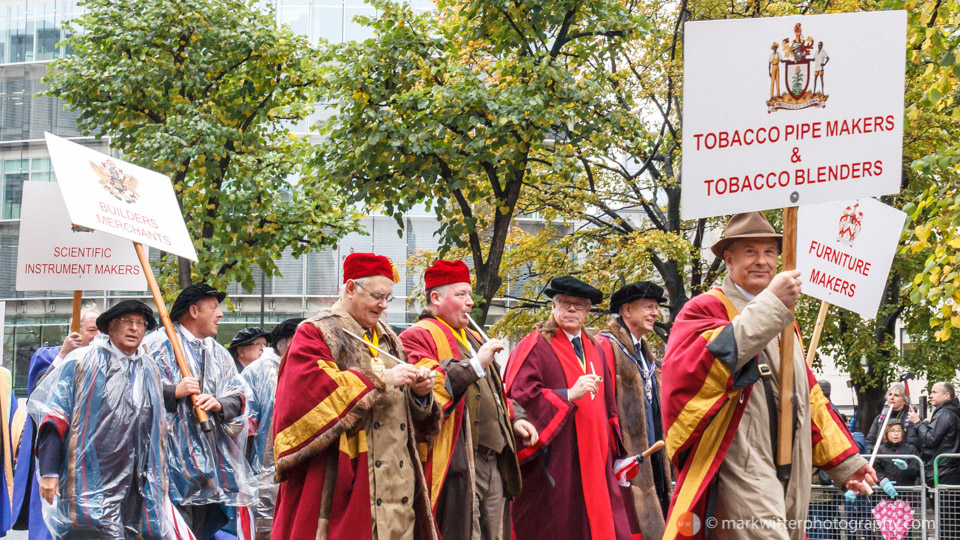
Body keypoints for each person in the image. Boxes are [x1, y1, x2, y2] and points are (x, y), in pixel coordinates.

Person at [660, 212, 874, 540]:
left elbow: (811, 401)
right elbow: (704, 368)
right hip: (739, 465)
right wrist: (774, 303)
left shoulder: (785, 320)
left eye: (770, 252)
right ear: (728, 260)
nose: (762, 261)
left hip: (793, 469)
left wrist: (846, 465)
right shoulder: (704, 309)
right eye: (750, 252)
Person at [271, 253, 441, 540]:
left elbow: (407, 414)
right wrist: (384, 379)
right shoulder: (316, 332)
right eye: (377, 295)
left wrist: (420, 395)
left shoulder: (389, 338)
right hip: (346, 483)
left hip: (398, 486)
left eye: (388, 297)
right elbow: (304, 401)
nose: (383, 305)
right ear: (350, 288)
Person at [399, 259, 537, 540]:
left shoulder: (473, 336)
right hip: (459, 460)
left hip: (493, 459)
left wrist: (516, 417)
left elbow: (495, 392)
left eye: (469, 295)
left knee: (495, 535)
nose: (470, 302)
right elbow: (432, 384)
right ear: (435, 298)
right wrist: (476, 364)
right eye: (460, 295)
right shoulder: (417, 335)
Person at [504, 276, 633, 540]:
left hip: (596, 458)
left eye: (579, 305)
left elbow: (609, 406)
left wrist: (618, 452)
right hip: (558, 459)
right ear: (553, 306)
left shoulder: (594, 348)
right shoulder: (535, 345)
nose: (571, 309)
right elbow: (518, 397)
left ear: (588, 311)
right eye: (564, 303)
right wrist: (567, 395)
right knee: (560, 525)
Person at [29, 301, 171, 539]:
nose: (134, 328)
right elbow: (56, 419)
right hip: (91, 480)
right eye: (127, 322)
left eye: (140, 323)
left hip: (138, 484)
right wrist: (50, 472)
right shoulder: (82, 361)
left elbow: (157, 427)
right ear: (111, 327)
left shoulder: (149, 368)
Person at [145, 284, 255, 540]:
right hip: (168, 468)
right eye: (214, 308)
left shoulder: (217, 352)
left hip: (207, 470)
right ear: (194, 311)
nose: (220, 315)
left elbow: (240, 395)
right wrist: (173, 391)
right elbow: (134, 395)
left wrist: (219, 403)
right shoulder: (156, 346)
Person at [13, 307, 100, 540]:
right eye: (91, 329)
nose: (97, 336)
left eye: (101, 330)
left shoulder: (106, 361)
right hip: (56, 452)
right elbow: (38, 399)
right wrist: (63, 355)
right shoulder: (48, 356)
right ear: (76, 329)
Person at [596, 281, 673, 539]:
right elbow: (602, 406)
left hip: (650, 452)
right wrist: (616, 453)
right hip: (622, 458)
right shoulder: (605, 346)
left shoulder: (644, 352)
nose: (656, 313)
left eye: (656, 307)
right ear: (627, 311)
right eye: (649, 307)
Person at [240, 317, 303, 539]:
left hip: (298, 467)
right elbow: (244, 427)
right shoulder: (257, 371)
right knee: (265, 529)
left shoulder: (305, 368)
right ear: (287, 342)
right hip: (263, 472)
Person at [908, 381, 960, 486]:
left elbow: (931, 439)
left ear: (946, 395)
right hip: (946, 470)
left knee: (942, 502)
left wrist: (917, 423)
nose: (930, 396)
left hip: (942, 471)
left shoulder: (945, 413)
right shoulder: (950, 412)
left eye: (934, 392)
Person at [874, 419, 921, 488]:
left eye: (899, 430)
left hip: (907, 491)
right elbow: (875, 469)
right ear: (886, 433)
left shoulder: (911, 449)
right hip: (884, 491)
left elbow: (918, 470)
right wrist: (883, 481)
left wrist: (907, 468)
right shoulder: (879, 450)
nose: (896, 434)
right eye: (892, 431)